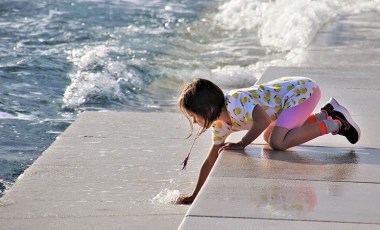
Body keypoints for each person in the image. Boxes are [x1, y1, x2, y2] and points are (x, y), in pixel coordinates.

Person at [175, 76, 360, 204]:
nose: (193, 121)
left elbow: (262, 120)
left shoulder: (235, 101)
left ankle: (335, 124)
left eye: (193, 116)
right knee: (267, 137)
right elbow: (210, 160)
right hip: (288, 100)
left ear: (206, 109)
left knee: (277, 142)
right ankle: (324, 114)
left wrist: (242, 143)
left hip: (303, 91)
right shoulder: (220, 125)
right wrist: (194, 195)